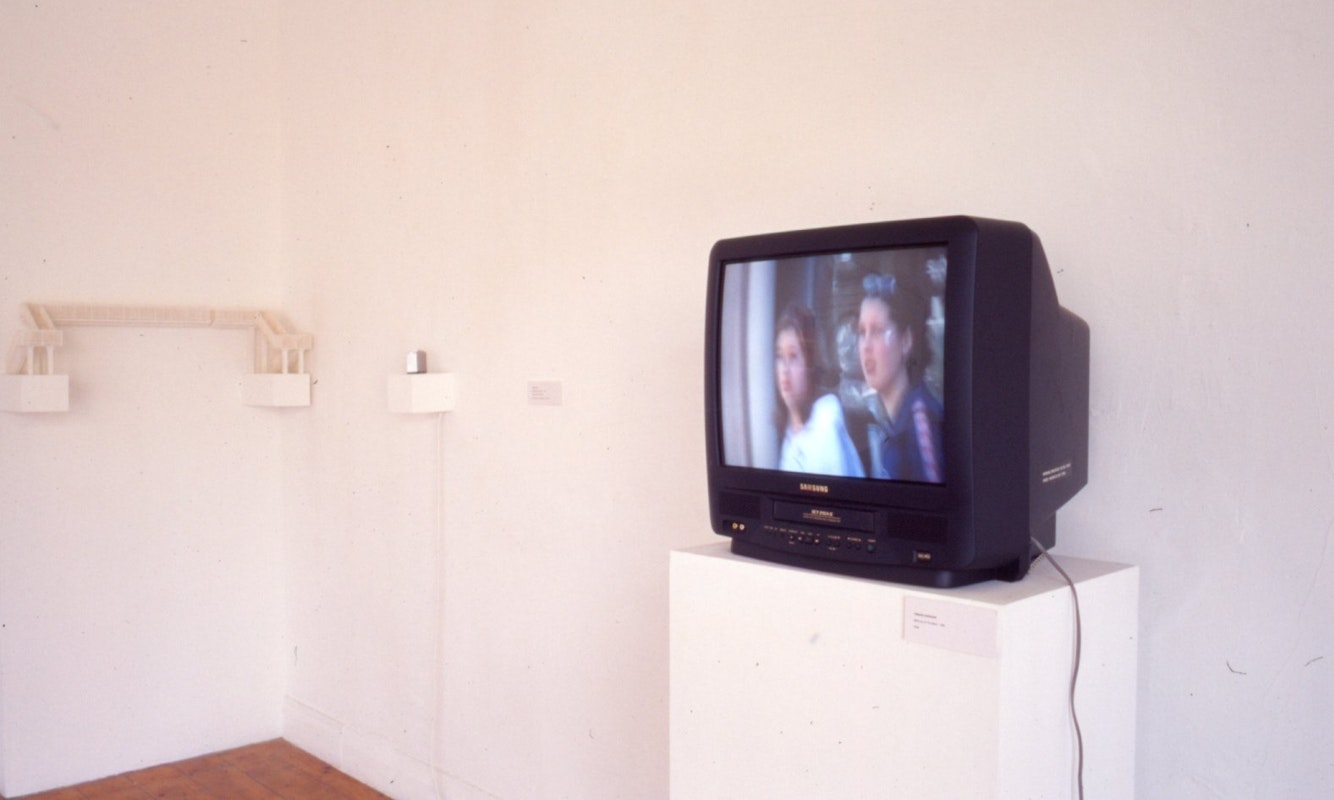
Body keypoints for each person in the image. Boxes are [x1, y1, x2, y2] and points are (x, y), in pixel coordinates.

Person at [857, 272, 944, 482]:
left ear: (905, 342)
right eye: (861, 332)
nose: (865, 345)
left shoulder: (922, 425)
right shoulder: (882, 420)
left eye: (877, 331)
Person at [773, 304, 865, 478]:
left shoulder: (826, 419)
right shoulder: (789, 428)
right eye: (779, 356)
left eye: (793, 356)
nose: (784, 369)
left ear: (811, 364)